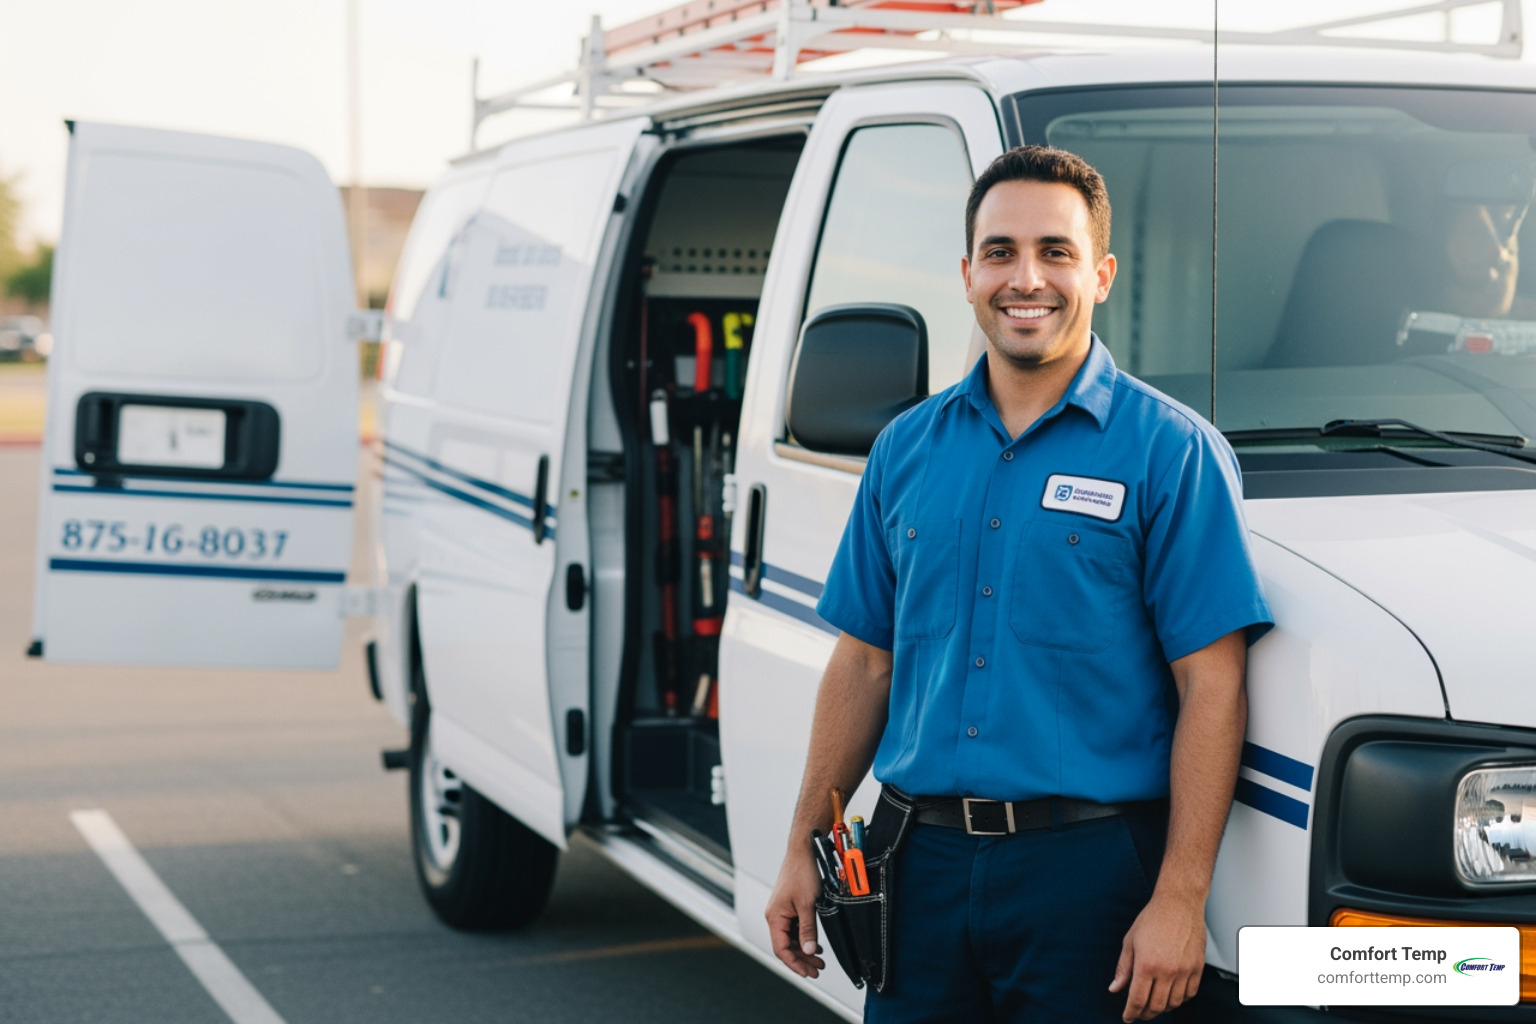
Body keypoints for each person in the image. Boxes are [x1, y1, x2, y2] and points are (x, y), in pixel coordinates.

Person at [765, 145, 1273, 1023]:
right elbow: (863, 666)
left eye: (1056, 252)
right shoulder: (905, 450)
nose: (1025, 277)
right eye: (1000, 252)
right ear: (967, 273)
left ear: (1102, 274)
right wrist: (806, 844)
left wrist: (1182, 899)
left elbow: (1213, 683)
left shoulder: (1172, 453)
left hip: (1088, 878)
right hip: (913, 867)